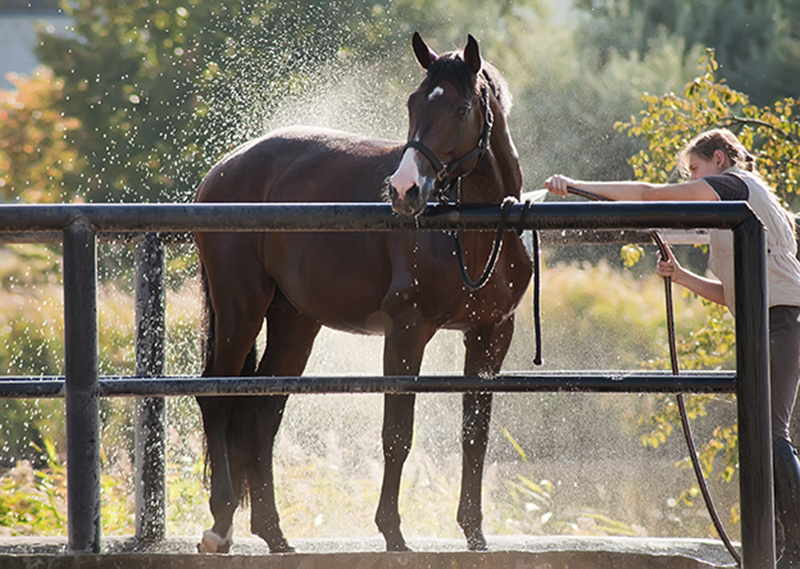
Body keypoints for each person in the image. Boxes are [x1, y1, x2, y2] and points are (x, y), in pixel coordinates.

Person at [544, 128, 800, 568]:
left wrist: (577, 185)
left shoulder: (734, 184)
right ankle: (782, 544)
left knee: (771, 433)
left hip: (781, 321)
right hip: (773, 319)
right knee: (764, 433)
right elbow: (732, 292)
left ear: (719, 159)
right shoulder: (748, 201)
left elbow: (647, 193)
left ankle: (794, 546)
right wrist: (681, 276)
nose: (692, 179)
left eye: (695, 170)